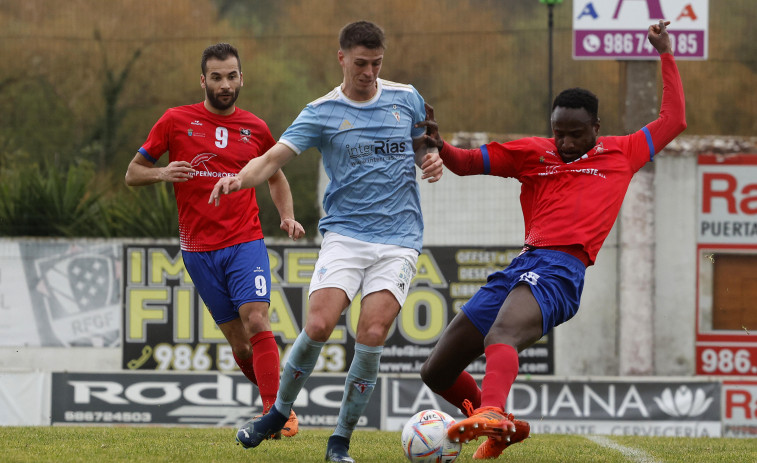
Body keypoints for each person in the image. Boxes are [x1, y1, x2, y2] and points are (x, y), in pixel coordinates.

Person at [418, 20, 686, 460]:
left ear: (596, 127)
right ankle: (499, 425)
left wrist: (666, 53)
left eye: (575, 134)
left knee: (501, 333)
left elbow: (674, 119)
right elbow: (465, 163)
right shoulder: (533, 152)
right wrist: (440, 145)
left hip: (563, 267)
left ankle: (491, 412)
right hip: (522, 264)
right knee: (437, 369)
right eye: (558, 132)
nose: (564, 142)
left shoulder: (623, 152)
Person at [209, 21, 443, 462]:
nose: (369, 73)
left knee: (371, 332)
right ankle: (278, 413)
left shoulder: (406, 98)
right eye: (360, 64)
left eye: (376, 64)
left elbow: (424, 143)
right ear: (341, 59)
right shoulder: (320, 111)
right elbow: (272, 158)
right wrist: (239, 180)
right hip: (346, 235)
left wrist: (430, 159)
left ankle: (340, 441)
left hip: (399, 238)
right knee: (318, 324)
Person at [124, 43, 304, 437]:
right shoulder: (174, 120)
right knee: (241, 347)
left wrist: (287, 216)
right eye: (217, 77)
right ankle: (277, 405)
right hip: (198, 251)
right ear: (203, 79)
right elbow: (132, 173)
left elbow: (275, 174)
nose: (225, 84)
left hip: (246, 240)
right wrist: (162, 173)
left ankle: (275, 416)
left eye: (232, 76)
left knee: (257, 320)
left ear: (242, 78)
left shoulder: (256, 127)